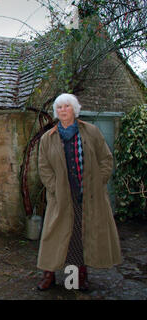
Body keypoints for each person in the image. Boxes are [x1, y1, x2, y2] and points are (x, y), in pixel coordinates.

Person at [36, 93, 122, 291]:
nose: (63, 110)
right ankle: (48, 275)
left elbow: (106, 160)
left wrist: (97, 182)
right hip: (60, 197)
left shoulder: (91, 132)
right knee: (52, 235)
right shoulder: (48, 139)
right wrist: (54, 188)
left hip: (87, 196)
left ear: (74, 109)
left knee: (78, 236)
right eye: (59, 107)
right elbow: (44, 168)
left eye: (67, 106)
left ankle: (75, 278)